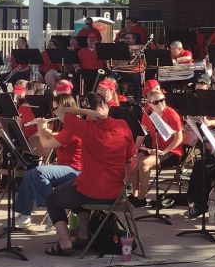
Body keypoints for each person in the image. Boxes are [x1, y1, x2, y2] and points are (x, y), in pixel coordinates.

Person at [42, 92, 136, 256]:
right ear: (104, 105)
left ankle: (64, 242)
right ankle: (83, 235)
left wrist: (88, 113)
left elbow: (59, 111)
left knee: (52, 199)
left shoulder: (85, 128)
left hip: (91, 191)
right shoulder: (122, 126)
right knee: (75, 190)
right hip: (117, 193)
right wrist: (98, 112)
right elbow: (130, 160)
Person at [12, 93, 83, 228]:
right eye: (53, 109)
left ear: (67, 108)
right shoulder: (67, 125)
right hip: (64, 168)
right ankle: (25, 214)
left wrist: (41, 129)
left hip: (75, 170)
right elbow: (57, 136)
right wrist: (45, 130)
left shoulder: (74, 126)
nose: (54, 112)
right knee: (30, 173)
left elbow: (47, 144)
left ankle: (54, 211)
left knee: (39, 171)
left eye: (57, 109)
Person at [128, 87, 184, 206]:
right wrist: (134, 150)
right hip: (156, 149)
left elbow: (179, 138)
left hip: (172, 151)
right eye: (155, 102)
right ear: (149, 104)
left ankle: (141, 199)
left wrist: (164, 151)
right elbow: (142, 133)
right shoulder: (147, 112)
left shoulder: (172, 114)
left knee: (144, 164)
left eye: (162, 100)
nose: (160, 104)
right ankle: (135, 194)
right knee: (132, 160)